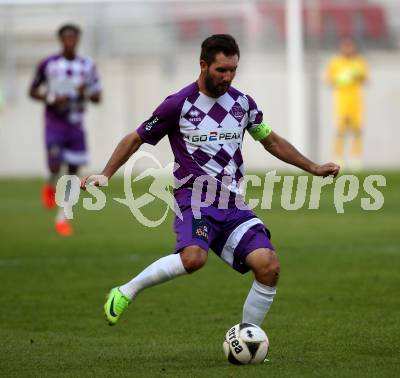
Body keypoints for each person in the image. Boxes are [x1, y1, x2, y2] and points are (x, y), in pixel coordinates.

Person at [81, 34, 339, 327]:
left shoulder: (243, 104)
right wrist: (105, 174)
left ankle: (247, 337)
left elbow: (271, 141)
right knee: (193, 258)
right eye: (221, 70)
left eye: (233, 70)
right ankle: (125, 291)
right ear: (203, 65)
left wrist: (312, 167)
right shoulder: (177, 105)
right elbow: (135, 138)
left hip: (233, 205)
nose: (228, 76)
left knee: (269, 267)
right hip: (194, 200)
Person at [29, 23, 101, 236]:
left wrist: (86, 91)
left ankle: (62, 217)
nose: (70, 42)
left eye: (74, 38)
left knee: (73, 173)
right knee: (54, 165)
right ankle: (50, 184)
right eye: (66, 38)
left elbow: (98, 97)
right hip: (55, 122)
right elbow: (32, 90)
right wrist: (52, 98)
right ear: (61, 40)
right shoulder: (48, 64)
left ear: (77, 40)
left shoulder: (87, 65)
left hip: (76, 124)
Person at [325, 36, 368, 170]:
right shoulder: (335, 63)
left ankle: (356, 158)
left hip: (356, 100)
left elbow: (365, 78)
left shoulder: (359, 62)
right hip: (341, 100)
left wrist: (355, 75)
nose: (348, 49)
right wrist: (340, 79)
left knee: (357, 129)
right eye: (345, 46)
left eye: (350, 46)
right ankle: (338, 157)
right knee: (340, 130)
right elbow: (329, 80)